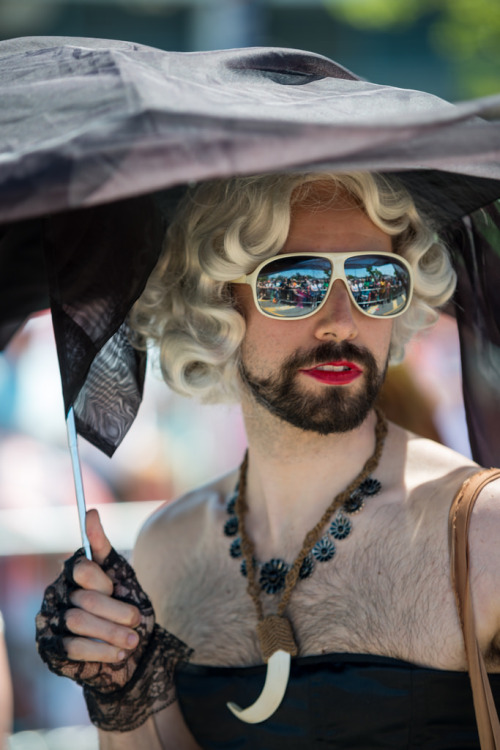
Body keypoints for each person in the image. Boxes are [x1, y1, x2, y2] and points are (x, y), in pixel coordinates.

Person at [36, 171, 500, 749]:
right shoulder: (167, 550)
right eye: (295, 283)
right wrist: (120, 689)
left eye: (376, 281)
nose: (342, 319)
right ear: (215, 302)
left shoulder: (484, 532)